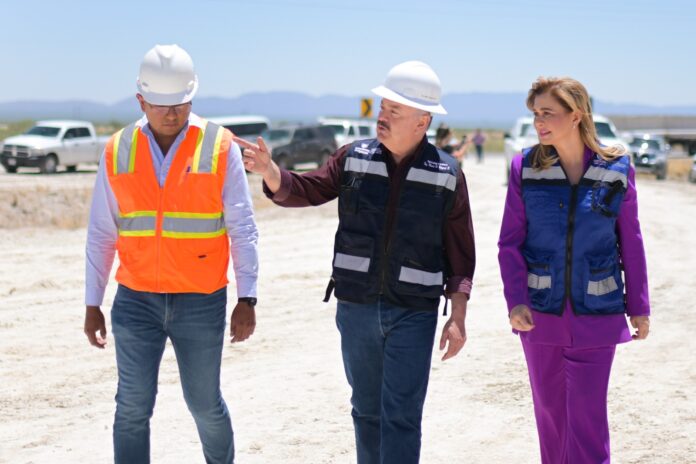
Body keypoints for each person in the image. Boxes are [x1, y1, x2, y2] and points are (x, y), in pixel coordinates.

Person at [237, 60, 475, 464]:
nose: (383, 115)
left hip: (414, 311)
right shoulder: (353, 157)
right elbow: (307, 188)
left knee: (401, 416)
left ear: (423, 121)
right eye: (383, 107)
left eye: (395, 110)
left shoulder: (447, 173)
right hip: (356, 307)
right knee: (366, 412)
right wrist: (270, 171)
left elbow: (460, 253)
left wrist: (458, 315)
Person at [83, 44, 259, 464]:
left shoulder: (219, 146)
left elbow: (243, 227)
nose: (172, 114)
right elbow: (102, 232)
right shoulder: (117, 148)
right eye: (161, 105)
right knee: (131, 407)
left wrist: (247, 297)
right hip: (136, 300)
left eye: (180, 103)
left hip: (201, 300)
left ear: (192, 96)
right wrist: (92, 303)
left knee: (204, 404)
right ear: (140, 100)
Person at [498, 76, 650, 464]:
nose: (539, 122)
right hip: (540, 314)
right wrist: (516, 301)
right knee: (551, 419)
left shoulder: (616, 169)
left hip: (598, 315)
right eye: (535, 114)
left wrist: (639, 306)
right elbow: (510, 243)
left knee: (587, 419)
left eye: (547, 113)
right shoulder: (524, 168)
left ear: (576, 115)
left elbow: (630, 240)